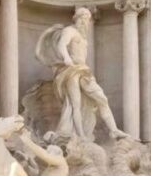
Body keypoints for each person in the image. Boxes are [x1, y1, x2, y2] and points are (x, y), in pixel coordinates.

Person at [35, 7, 128, 141]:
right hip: (71, 70)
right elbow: (61, 45)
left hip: (83, 71)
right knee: (75, 104)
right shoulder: (70, 31)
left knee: (102, 98)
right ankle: (81, 135)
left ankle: (114, 130)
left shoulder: (83, 37)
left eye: (87, 20)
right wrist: (66, 57)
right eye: (83, 19)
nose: (85, 22)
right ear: (77, 18)